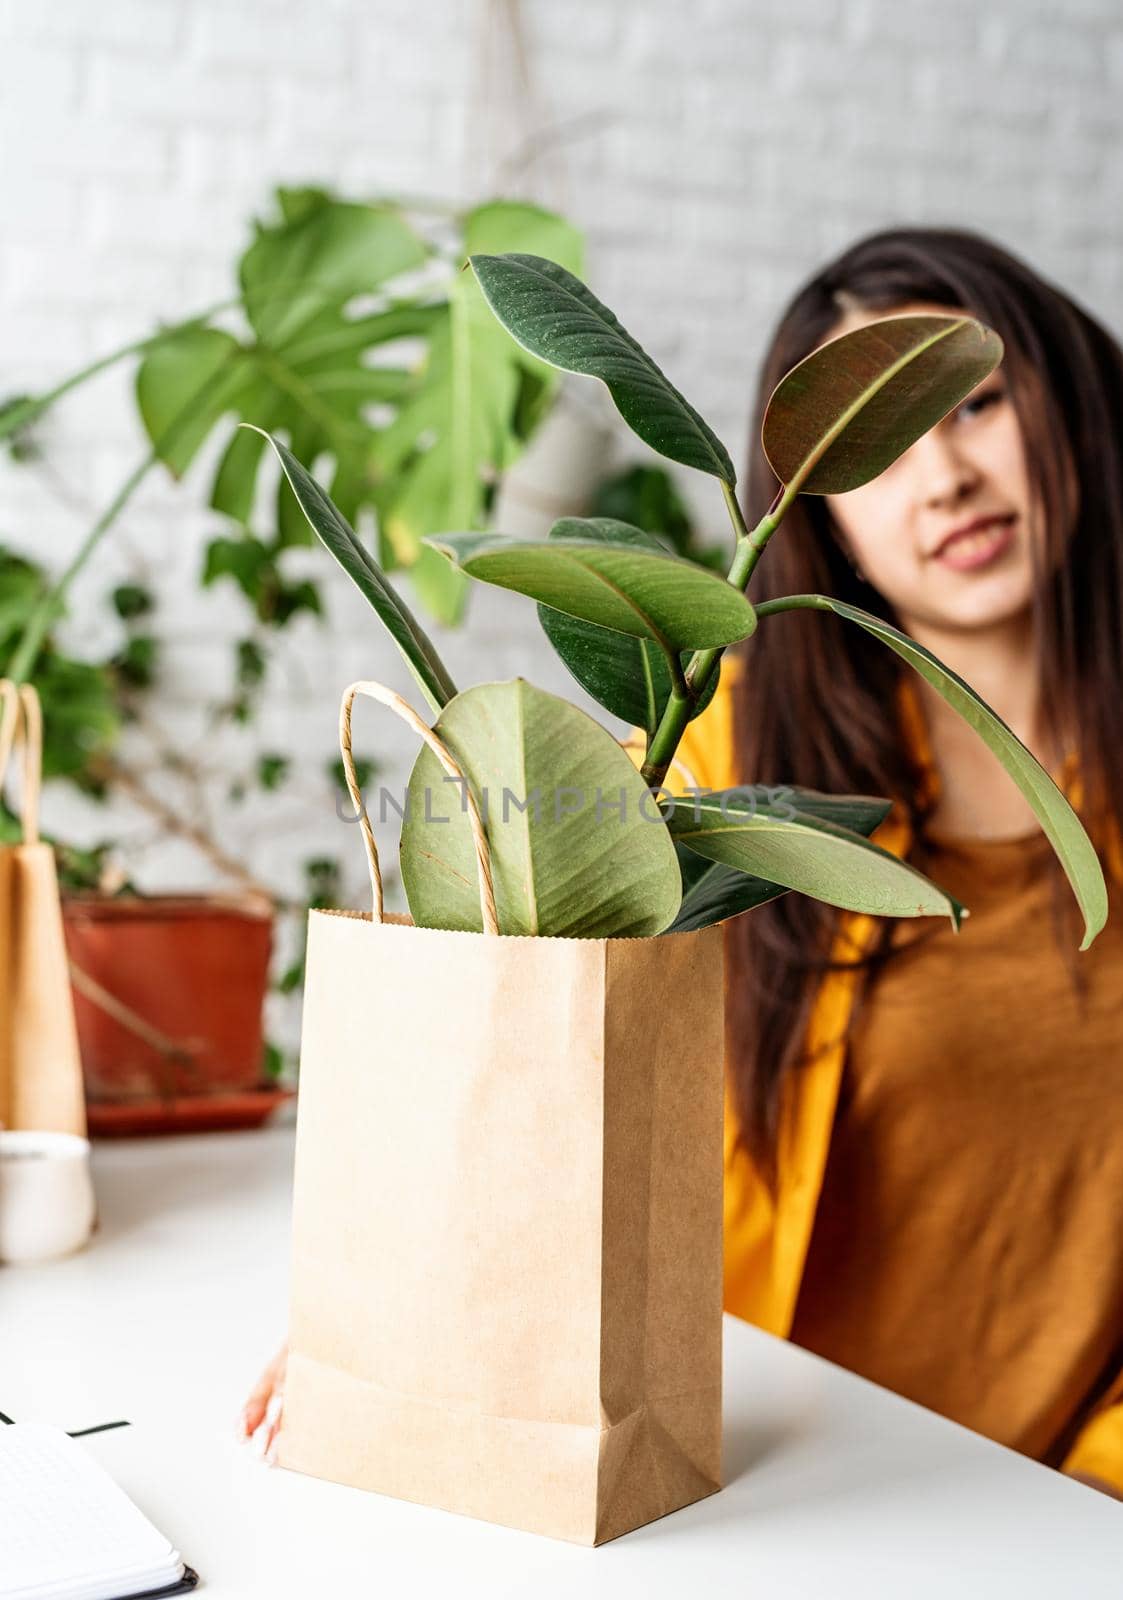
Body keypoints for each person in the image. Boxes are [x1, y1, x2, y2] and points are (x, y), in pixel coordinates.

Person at [241, 226, 1123, 1496]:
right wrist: (393, 1310)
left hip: (1062, 1510)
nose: (942, 476)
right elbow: (517, 1063)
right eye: (874, 452)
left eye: (977, 404)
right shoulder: (713, 758)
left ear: (1074, 404)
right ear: (814, 520)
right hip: (742, 1478)